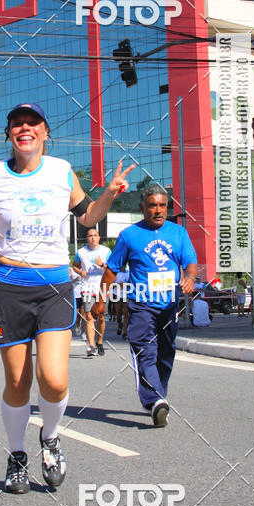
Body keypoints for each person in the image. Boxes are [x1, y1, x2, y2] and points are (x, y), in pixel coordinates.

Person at [0, 103, 134, 494]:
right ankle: (16, 456)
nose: (24, 128)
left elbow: (88, 217)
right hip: (8, 286)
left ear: (44, 132)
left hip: (54, 286)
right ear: (9, 134)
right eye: (16, 124)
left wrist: (109, 194)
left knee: (55, 381)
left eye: (32, 123)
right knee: (17, 381)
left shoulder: (61, 171)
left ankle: (51, 437)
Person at [99, 183, 197, 428]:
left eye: (162, 205)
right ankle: (155, 399)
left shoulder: (178, 233)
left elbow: (191, 262)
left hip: (169, 305)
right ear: (142, 207)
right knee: (145, 350)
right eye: (152, 205)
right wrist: (100, 299)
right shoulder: (129, 235)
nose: (158, 210)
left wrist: (190, 278)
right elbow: (112, 270)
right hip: (141, 304)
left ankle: (156, 396)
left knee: (166, 353)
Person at [72, 228, 111, 357]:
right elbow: (75, 266)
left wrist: (102, 265)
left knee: (100, 316)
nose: (93, 238)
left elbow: (112, 269)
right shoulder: (81, 252)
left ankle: (99, 342)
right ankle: (91, 346)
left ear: (99, 238)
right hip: (87, 287)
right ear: (87, 238)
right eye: (90, 236)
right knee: (89, 316)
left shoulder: (106, 251)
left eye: (95, 235)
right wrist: (80, 272)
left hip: (102, 287)